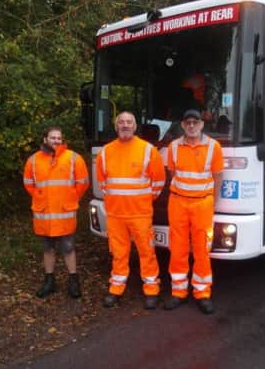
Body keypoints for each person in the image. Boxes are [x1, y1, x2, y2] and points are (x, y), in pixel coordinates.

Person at [96, 111, 166, 309]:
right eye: (121, 122)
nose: (125, 125)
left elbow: (159, 181)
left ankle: (151, 290)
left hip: (140, 213)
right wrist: (118, 199)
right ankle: (116, 288)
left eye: (129, 122)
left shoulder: (147, 150)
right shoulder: (106, 151)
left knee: (147, 252)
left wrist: (142, 200)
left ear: (135, 127)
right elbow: (103, 183)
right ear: (116, 126)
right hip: (116, 214)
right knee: (118, 253)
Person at [164, 109, 224, 314]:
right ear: (182, 125)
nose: (191, 125)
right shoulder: (173, 147)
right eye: (187, 122)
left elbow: (218, 177)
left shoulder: (213, 147)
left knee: (202, 249)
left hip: (202, 205)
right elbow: (173, 173)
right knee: (178, 248)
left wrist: (212, 203)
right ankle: (178, 292)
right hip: (178, 203)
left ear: (201, 124)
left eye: (195, 122)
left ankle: (202, 293)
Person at [23, 126, 90, 299]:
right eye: (52, 138)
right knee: (48, 248)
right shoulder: (33, 160)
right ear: (45, 139)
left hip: (65, 212)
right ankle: (49, 281)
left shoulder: (73, 158)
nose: (56, 141)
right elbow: (28, 183)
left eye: (59, 138)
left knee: (68, 248)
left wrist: (72, 197)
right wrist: (38, 196)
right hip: (43, 213)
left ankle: (74, 281)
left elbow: (83, 182)